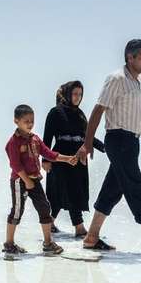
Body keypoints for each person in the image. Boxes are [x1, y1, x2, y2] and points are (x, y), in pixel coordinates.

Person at [78, 39, 141, 256]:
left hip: (131, 142)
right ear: (130, 57)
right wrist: (87, 144)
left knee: (112, 191)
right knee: (137, 188)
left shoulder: (136, 84)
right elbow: (98, 110)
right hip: (118, 140)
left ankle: (91, 237)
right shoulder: (117, 79)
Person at [4, 104, 78, 255]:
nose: (30, 124)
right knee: (17, 211)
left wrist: (67, 159)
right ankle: (9, 244)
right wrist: (27, 181)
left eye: (32, 121)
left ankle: (48, 243)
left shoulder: (35, 139)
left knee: (45, 208)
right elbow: (15, 164)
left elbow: (49, 154)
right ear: (16, 121)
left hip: (35, 180)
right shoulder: (14, 142)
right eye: (26, 121)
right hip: (20, 181)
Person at [42, 81, 105, 237]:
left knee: (74, 191)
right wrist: (45, 160)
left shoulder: (80, 114)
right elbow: (47, 138)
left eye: (80, 94)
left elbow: (87, 137)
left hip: (78, 159)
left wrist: (105, 147)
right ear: (68, 93)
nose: (78, 97)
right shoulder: (55, 112)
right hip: (60, 159)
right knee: (61, 192)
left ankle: (51, 223)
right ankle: (78, 228)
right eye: (75, 94)